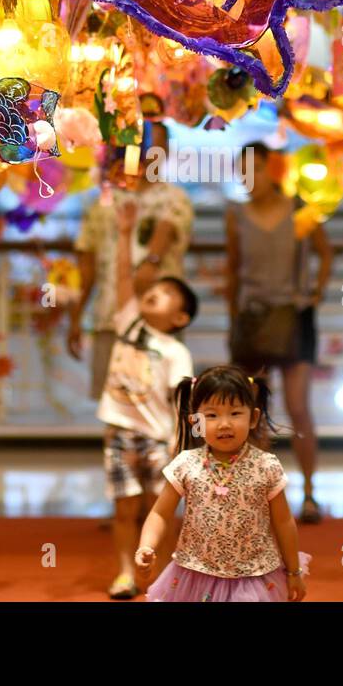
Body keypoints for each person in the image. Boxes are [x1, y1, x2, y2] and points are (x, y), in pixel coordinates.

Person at [225, 142, 333, 524]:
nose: (247, 179)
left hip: (294, 317)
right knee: (254, 411)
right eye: (242, 172)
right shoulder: (236, 215)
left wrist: (315, 292)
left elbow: (325, 252)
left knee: (298, 406)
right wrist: (233, 318)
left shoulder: (299, 208)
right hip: (253, 318)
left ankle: (309, 493)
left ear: (272, 170)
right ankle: (259, 495)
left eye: (253, 170)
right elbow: (233, 269)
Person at [96, 197, 198, 599]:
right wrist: (124, 234)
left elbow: (183, 404)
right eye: (155, 288)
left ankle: (162, 573)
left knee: (160, 510)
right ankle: (124, 572)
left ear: (181, 318)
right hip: (119, 432)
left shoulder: (177, 352)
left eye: (169, 292)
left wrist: (180, 442)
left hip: (159, 439)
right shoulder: (128, 322)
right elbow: (124, 277)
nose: (156, 292)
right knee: (124, 509)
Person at [135, 365, 308, 602]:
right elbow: (161, 514)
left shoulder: (266, 466)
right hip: (195, 573)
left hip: (253, 576)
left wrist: (293, 571)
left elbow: (283, 521)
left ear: (253, 418)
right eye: (212, 415)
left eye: (235, 413)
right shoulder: (186, 464)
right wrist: (146, 546)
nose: (224, 424)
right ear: (195, 421)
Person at [68, 121, 193, 402]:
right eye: (143, 143)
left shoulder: (175, 199)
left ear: (167, 150)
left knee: (164, 403)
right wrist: (76, 317)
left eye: (155, 144)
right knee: (113, 406)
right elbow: (86, 265)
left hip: (161, 325)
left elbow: (165, 234)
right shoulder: (103, 201)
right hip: (109, 317)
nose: (149, 151)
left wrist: (151, 260)